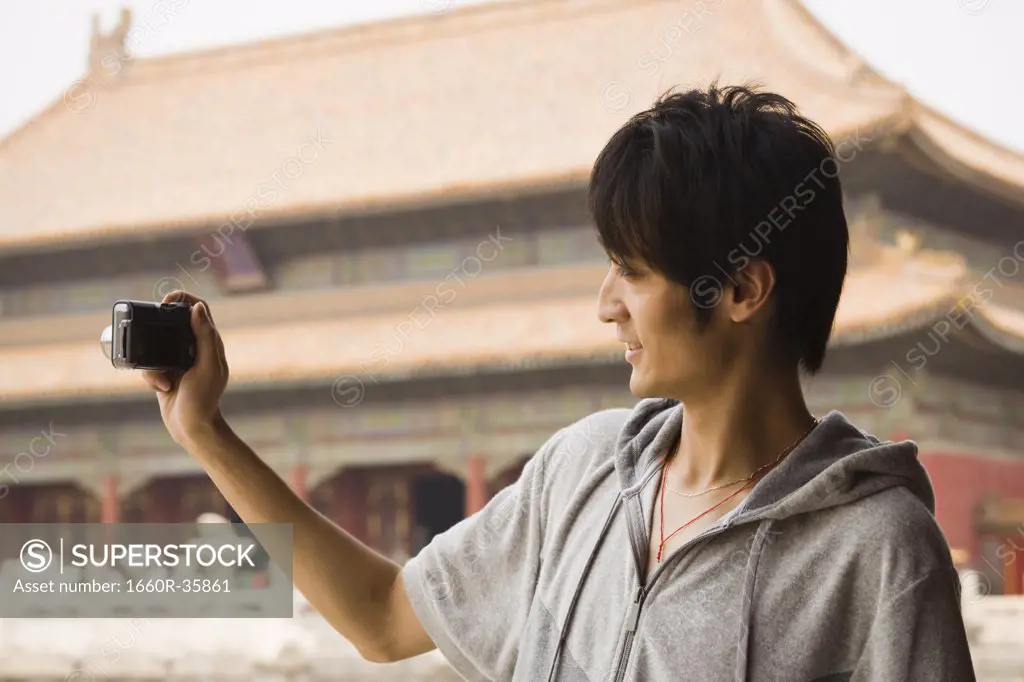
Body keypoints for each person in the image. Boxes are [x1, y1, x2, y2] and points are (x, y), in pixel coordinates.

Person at [144, 84, 976, 681]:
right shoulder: (579, 472)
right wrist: (207, 434)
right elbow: (381, 618)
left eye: (630, 271)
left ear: (743, 289)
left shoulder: (877, 553)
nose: (603, 306)